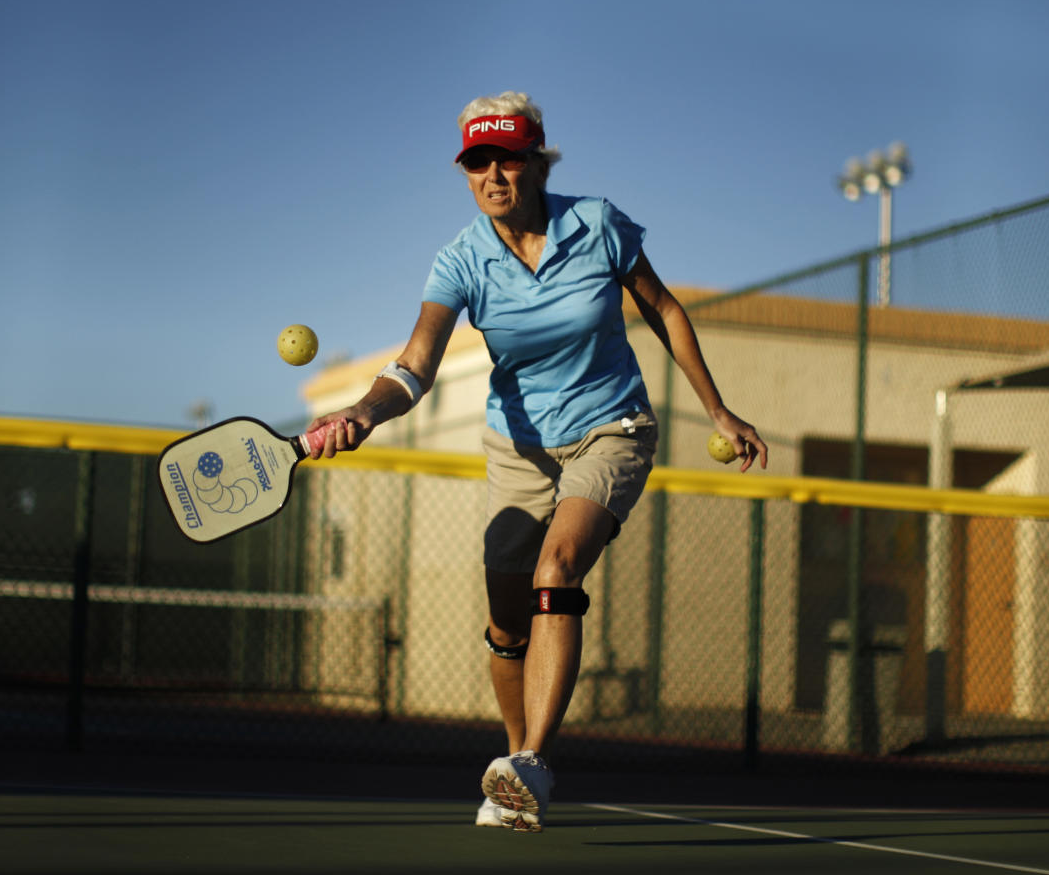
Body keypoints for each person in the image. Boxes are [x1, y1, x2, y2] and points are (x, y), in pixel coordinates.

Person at [306, 91, 767, 832]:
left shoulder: (598, 225)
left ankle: (534, 765)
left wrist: (718, 408)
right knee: (505, 622)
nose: (494, 174)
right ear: (466, 172)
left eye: (508, 157)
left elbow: (666, 309)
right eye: (477, 162)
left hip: (610, 427)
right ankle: (514, 766)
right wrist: (364, 409)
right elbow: (415, 364)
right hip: (516, 449)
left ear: (537, 156)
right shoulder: (460, 259)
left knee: (557, 569)